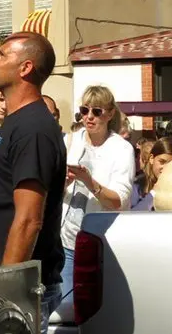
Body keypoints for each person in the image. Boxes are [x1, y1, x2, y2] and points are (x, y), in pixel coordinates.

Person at [0, 31, 66, 333]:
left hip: (16, 291)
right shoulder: (15, 123)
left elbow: (29, 219)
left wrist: (4, 292)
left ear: (25, 68)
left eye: (2, 54)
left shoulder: (33, 129)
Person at [60, 85, 135, 306]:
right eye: (84, 111)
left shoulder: (121, 149)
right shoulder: (70, 141)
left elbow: (119, 200)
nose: (89, 117)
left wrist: (89, 182)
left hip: (101, 242)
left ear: (110, 114)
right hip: (66, 239)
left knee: (99, 308)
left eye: (97, 112)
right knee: (65, 309)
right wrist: (62, 182)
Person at [131, 136, 172, 211]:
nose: (166, 168)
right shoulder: (138, 185)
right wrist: (153, 193)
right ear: (151, 159)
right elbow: (131, 217)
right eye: (162, 162)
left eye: (171, 164)